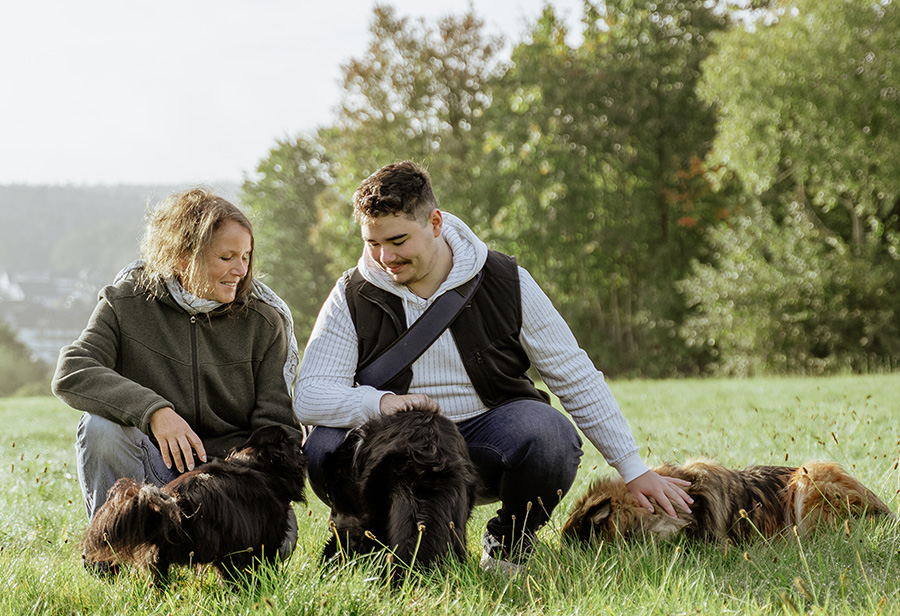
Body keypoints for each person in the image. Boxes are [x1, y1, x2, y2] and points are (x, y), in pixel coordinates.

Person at [294, 161, 692, 575]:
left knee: (550, 437)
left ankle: (507, 545)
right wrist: (382, 404)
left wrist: (632, 468)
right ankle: (370, 538)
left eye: (397, 240)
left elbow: (574, 375)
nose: (384, 257)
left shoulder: (507, 281)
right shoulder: (351, 293)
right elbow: (308, 396)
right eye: (373, 243)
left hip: (481, 442)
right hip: (394, 447)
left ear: (434, 223)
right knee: (323, 447)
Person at [52, 187, 303, 570]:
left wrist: (219, 479)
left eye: (246, 257)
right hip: (154, 477)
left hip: (231, 491)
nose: (241, 270)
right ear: (184, 258)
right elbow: (72, 370)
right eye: (226, 257)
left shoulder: (266, 321)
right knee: (100, 428)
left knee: (279, 545)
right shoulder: (127, 300)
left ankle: (185, 551)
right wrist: (154, 411)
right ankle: (110, 561)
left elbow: (277, 429)